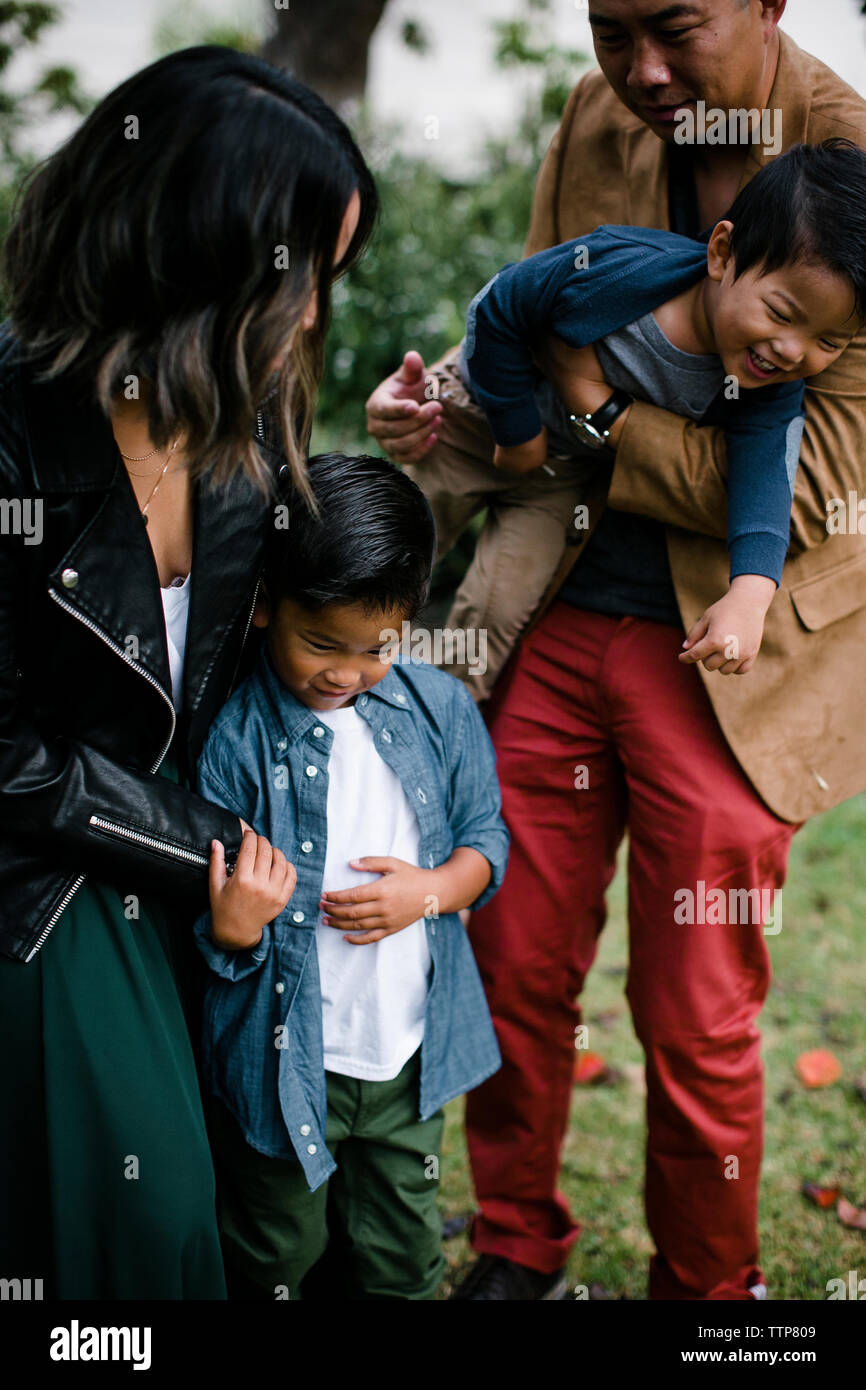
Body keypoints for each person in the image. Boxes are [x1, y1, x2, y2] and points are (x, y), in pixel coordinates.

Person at [365, 2, 866, 1300]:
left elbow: (815, 478)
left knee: (695, 1009)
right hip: (562, 607)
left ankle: (709, 1289)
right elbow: (526, 328)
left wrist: (589, 414)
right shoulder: (596, 116)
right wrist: (456, 418)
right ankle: (515, 1247)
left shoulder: (851, 180)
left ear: (766, 5)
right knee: (512, 951)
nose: (640, 71)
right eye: (609, 28)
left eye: (677, 28)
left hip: (731, 662)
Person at [0, 45, 377, 1299]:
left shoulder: (244, 420)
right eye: (304, 271)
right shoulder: (11, 442)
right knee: (144, 1237)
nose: (319, 312)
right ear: (193, 254)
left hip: (199, 877)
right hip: (45, 874)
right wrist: (205, 843)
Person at [191, 452, 509, 1301]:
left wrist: (432, 891)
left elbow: (487, 843)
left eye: (378, 647)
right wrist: (233, 925)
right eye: (322, 642)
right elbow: (202, 921)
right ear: (266, 605)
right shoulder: (234, 738)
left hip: (405, 1055)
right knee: (274, 1249)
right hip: (283, 1057)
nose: (347, 670)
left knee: (402, 1253)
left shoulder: (439, 711)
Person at [445, 138, 865, 696]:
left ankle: (425, 737)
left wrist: (750, 594)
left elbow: (766, 483)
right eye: (781, 313)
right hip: (474, 416)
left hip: (558, 473)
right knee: (379, 543)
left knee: (490, 617)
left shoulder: (770, 388)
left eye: (828, 342)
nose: (792, 350)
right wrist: (514, 428)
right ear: (722, 254)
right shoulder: (620, 267)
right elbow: (500, 303)